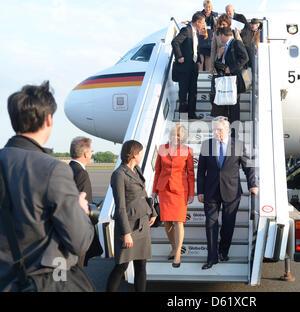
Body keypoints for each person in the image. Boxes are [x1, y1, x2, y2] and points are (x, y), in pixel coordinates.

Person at [0, 81, 94, 292]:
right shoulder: (52, 169)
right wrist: (81, 210)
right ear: (49, 120)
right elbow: (80, 242)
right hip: (41, 281)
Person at [197, 117, 258, 270]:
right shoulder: (207, 145)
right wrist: (200, 191)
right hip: (211, 192)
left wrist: (253, 185)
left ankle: (223, 251)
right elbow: (201, 171)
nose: (217, 132)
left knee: (228, 224)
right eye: (215, 130)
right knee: (210, 223)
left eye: (220, 129)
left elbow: (248, 167)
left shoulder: (238, 145)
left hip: (232, 191)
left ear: (227, 130)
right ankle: (212, 258)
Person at [107, 140, 157, 292]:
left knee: (141, 265)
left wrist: (152, 212)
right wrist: (126, 233)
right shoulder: (119, 175)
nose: (142, 154)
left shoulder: (137, 169)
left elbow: (144, 194)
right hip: (129, 226)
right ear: (134, 154)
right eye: (140, 152)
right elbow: (120, 206)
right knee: (121, 266)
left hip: (143, 224)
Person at [152, 125, 195, 268]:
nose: (175, 137)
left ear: (182, 137)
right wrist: (154, 190)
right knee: (167, 222)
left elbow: (190, 174)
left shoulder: (187, 151)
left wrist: (191, 193)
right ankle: (173, 246)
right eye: (173, 135)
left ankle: (177, 253)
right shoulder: (162, 148)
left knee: (178, 221)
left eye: (178, 135)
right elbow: (157, 170)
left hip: (180, 190)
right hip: (164, 189)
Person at [69, 136, 103, 267]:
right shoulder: (81, 173)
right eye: (91, 152)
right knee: (78, 269)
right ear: (85, 153)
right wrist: (93, 209)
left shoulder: (67, 169)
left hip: (68, 229)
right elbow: (82, 203)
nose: (91, 154)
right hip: (79, 231)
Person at [171, 11, 206, 120]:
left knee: (193, 91)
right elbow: (175, 42)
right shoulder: (186, 30)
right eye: (203, 23)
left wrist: (199, 60)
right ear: (197, 22)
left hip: (193, 65)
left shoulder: (195, 33)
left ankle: (191, 113)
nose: (203, 25)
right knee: (183, 91)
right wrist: (179, 56)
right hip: (185, 66)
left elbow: (195, 48)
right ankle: (183, 116)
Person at [214, 26, 249, 129]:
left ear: (223, 35)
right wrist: (219, 56)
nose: (219, 39)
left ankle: (234, 132)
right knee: (226, 106)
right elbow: (221, 65)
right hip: (227, 79)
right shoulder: (225, 47)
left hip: (234, 79)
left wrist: (231, 68)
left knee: (234, 106)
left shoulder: (236, 43)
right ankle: (227, 130)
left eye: (220, 36)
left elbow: (245, 58)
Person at [198, 0, 218, 72]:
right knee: (200, 59)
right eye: (206, 7)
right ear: (204, 7)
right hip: (201, 39)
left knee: (208, 59)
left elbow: (217, 26)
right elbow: (195, 22)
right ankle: (199, 76)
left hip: (210, 39)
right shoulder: (200, 14)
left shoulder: (215, 15)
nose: (208, 9)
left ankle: (207, 77)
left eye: (209, 7)